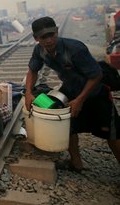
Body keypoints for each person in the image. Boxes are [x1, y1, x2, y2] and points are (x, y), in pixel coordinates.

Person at [24, 16, 120, 171]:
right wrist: (28, 93)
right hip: (70, 90)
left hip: (95, 93)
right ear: (36, 39)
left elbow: (96, 76)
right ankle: (76, 164)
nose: (49, 40)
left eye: (51, 35)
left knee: (113, 134)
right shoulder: (39, 51)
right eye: (44, 37)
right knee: (67, 126)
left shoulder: (75, 49)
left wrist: (80, 100)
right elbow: (33, 70)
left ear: (57, 31)